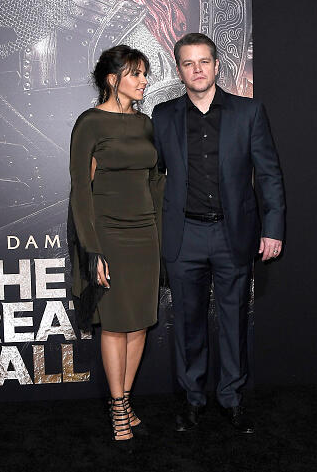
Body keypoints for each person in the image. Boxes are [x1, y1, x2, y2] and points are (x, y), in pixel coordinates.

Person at [152, 33, 285, 434]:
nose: (197, 69)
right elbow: (152, 175)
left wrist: (273, 227)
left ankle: (231, 399)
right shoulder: (162, 116)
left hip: (234, 234)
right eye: (189, 63)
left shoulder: (249, 112)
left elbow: (269, 174)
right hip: (184, 234)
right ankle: (192, 401)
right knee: (188, 324)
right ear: (178, 71)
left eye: (204, 62)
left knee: (233, 322)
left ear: (216, 65)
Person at [68, 45, 163, 445]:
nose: (144, 81)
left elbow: (156, 179)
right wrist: (92, 251)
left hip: (145, 236)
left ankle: (125, 398)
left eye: (144, 74)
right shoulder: (89, 123)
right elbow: (80, 191)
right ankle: (118, 404)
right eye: (136, 74)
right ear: (113, 79)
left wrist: (160, 232)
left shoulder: (145, 124)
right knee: (114, 324)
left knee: (140, 322)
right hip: (107, 235)